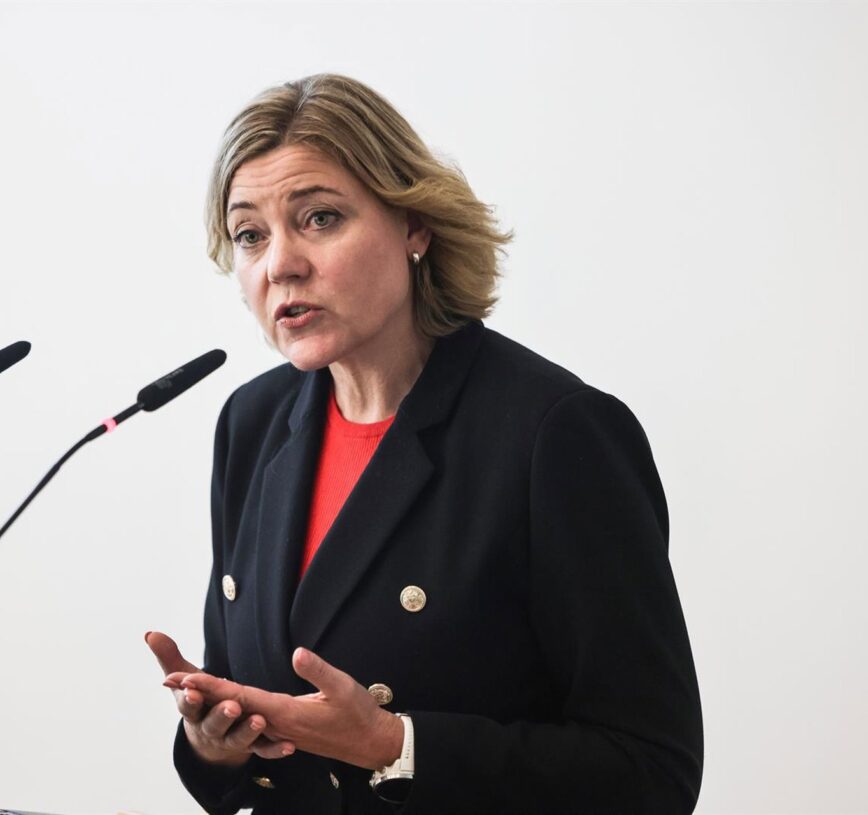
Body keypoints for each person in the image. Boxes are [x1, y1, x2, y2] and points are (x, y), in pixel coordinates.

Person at [146, 73, 702, 814]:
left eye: (319, 218)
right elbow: (250, 723)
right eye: (251, 234)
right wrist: (216, 740)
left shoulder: (556, 433)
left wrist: (395, 745)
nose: (280, 264)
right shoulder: (252, 421)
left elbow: (653, 772)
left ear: (415, 227)